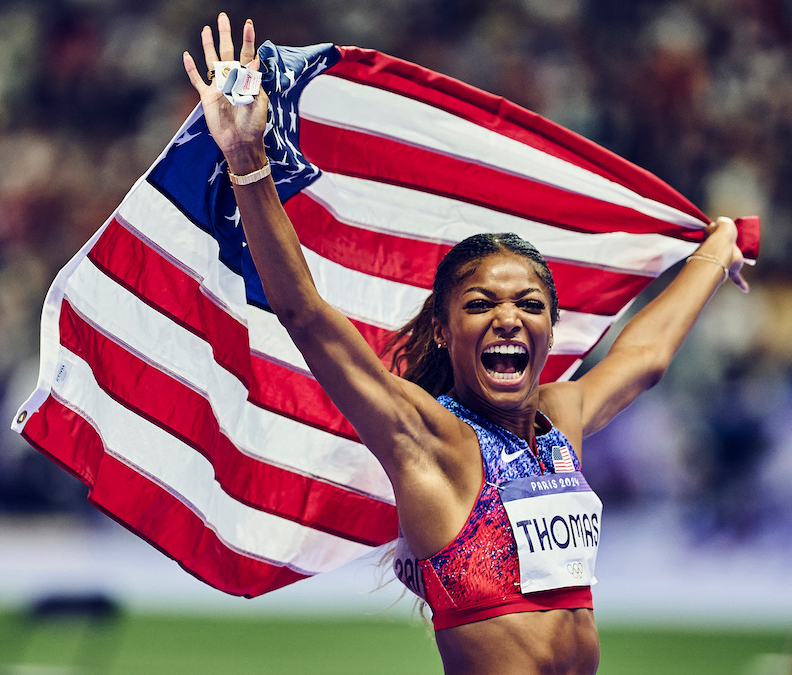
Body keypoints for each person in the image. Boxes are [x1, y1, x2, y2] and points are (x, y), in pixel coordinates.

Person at [183, 13, 748, 675]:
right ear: (446, 332)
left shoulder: (558, 422)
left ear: (549, 329)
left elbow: (643, 361)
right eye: (481, 303)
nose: (509, 318)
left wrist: (714, 250)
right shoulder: (430, 439)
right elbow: (305, 315)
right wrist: (249, 162)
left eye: (529, 304)